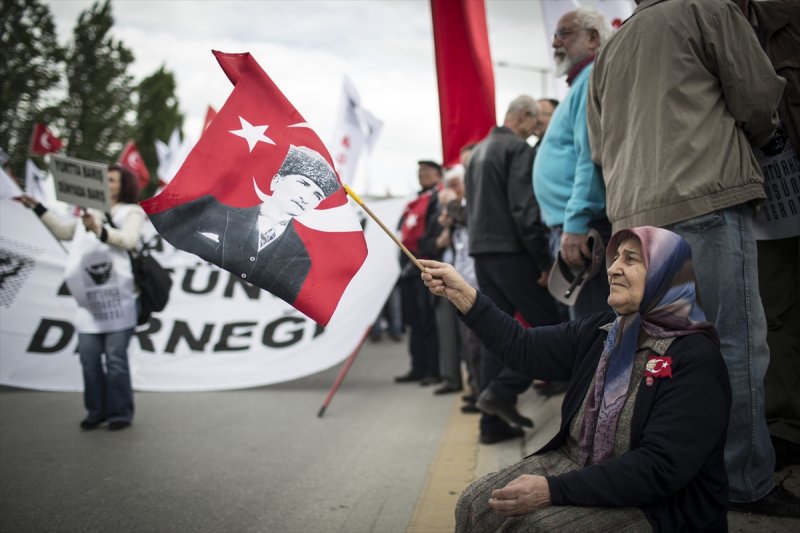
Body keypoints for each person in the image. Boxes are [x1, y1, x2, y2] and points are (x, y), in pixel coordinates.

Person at [586, 0, 798, 516]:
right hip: (704, 200)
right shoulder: (709, 10)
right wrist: (770, 135)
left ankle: (668, 470)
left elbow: (596, 146)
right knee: (735, 346)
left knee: (661, 357)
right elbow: (757, 95)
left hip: (635, 217)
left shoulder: (612, 47)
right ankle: (744, 481)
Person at [421, 226, 732, 531]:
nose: (614, 269)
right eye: (615, 258)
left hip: (658, 504)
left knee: (537, 528)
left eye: (631, 260)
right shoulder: (603, 331)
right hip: (578, 464)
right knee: (475, 503)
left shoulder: (694, 359)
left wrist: (552, 490)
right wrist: (463, 294)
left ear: (666, 273)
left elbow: (659, 467)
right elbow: (523, 348)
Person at [19, 164, 145, 431]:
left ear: (123, 185)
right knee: (89, 358)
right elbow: (65, 232)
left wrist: (99, 230)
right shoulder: (90, 212)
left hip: (120, 300)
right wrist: (38, 207)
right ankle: (95, 411)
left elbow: (130, 240)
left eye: (112, 180)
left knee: (115, 359)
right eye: (104, 180)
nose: (107, 184)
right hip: (90, 303)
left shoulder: (130, 212)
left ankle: (120, 413)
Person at [465, 95, 560, 444]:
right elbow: (523, 209)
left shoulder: (478, 152)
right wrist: (543, 260)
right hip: (512, 252)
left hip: (483, 253)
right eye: (534, 124)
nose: (536, 131)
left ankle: (490, 425)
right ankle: (503, 391)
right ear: (522, 117)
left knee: (495, 333)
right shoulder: (518, 150)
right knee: (551, 325)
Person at [734, 0, 800, 474]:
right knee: (774, 311)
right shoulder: (715, 25)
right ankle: (785, 427)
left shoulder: (788, 20)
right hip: (769, 198)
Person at [149, 145, 340, 306]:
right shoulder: (214, 212)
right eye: (303, 184)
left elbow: (278, 306)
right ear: (276, 181)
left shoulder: (301, 258)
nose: (306, 198)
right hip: (188, 307)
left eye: (317, 196)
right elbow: (166, 227)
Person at [533, 7, 613, 319]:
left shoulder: (591, 78)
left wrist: (577, 223)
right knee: (585, 332)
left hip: (583, 228)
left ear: (593, 38)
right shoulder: (581, 82)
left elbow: (589, 156)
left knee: (592, 332)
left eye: (564, 33)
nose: (555, 43)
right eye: (555, 34)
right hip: (574, 225)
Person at [394, 160, 443, 385]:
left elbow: (435, 231)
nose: (420, 175)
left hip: (426, 265)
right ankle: (418, 366)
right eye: (419, 171)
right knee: (413, 320)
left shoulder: (437, 198)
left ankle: (433, 369)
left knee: (427, 320)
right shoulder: (414, 200)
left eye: (425, 171)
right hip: (408, 269)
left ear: (436, 174)